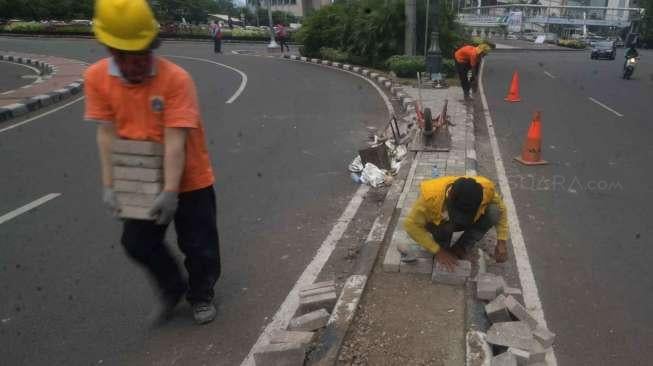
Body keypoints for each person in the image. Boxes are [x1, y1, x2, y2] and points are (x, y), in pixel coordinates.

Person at [85, 0, 221, 325]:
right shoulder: (96, 78)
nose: (135, 65)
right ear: (110, 49)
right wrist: (109, 185)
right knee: (136, 242)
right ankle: (172, 286)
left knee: (199, 245)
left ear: (151, 46)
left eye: (142, 55)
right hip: (140, 174)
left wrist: (172, 191)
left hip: (189, 176)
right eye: (125, 58)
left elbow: (176, 139)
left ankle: (201, 295)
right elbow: (106, 133)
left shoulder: (176, 79)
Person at [402, 176, 509, 271]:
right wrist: (438, 251)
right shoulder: (430, 198)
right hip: (439, 222)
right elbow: (410, 225)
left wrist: (502, 241)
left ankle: (461, 247)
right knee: (443, 241)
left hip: (465, 219)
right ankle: (443, 245)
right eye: (458, 213)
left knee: (494, 212)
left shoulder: (486, 190)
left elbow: (501, 209)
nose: (461, 218)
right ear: (450, 197)